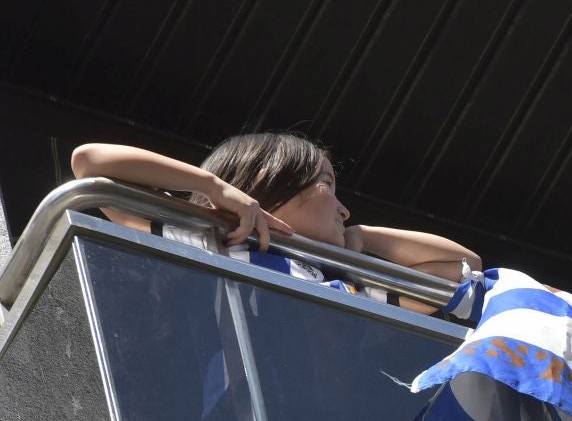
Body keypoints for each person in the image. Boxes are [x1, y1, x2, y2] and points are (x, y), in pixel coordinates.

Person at [70, 133, 481, 313]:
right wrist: (215, 189)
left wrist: (361, 239)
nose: (344, 208)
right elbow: (90, 164)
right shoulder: (211, 240)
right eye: (326, 184)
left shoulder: (344, 288)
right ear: (267, 186)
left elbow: (463, 269)